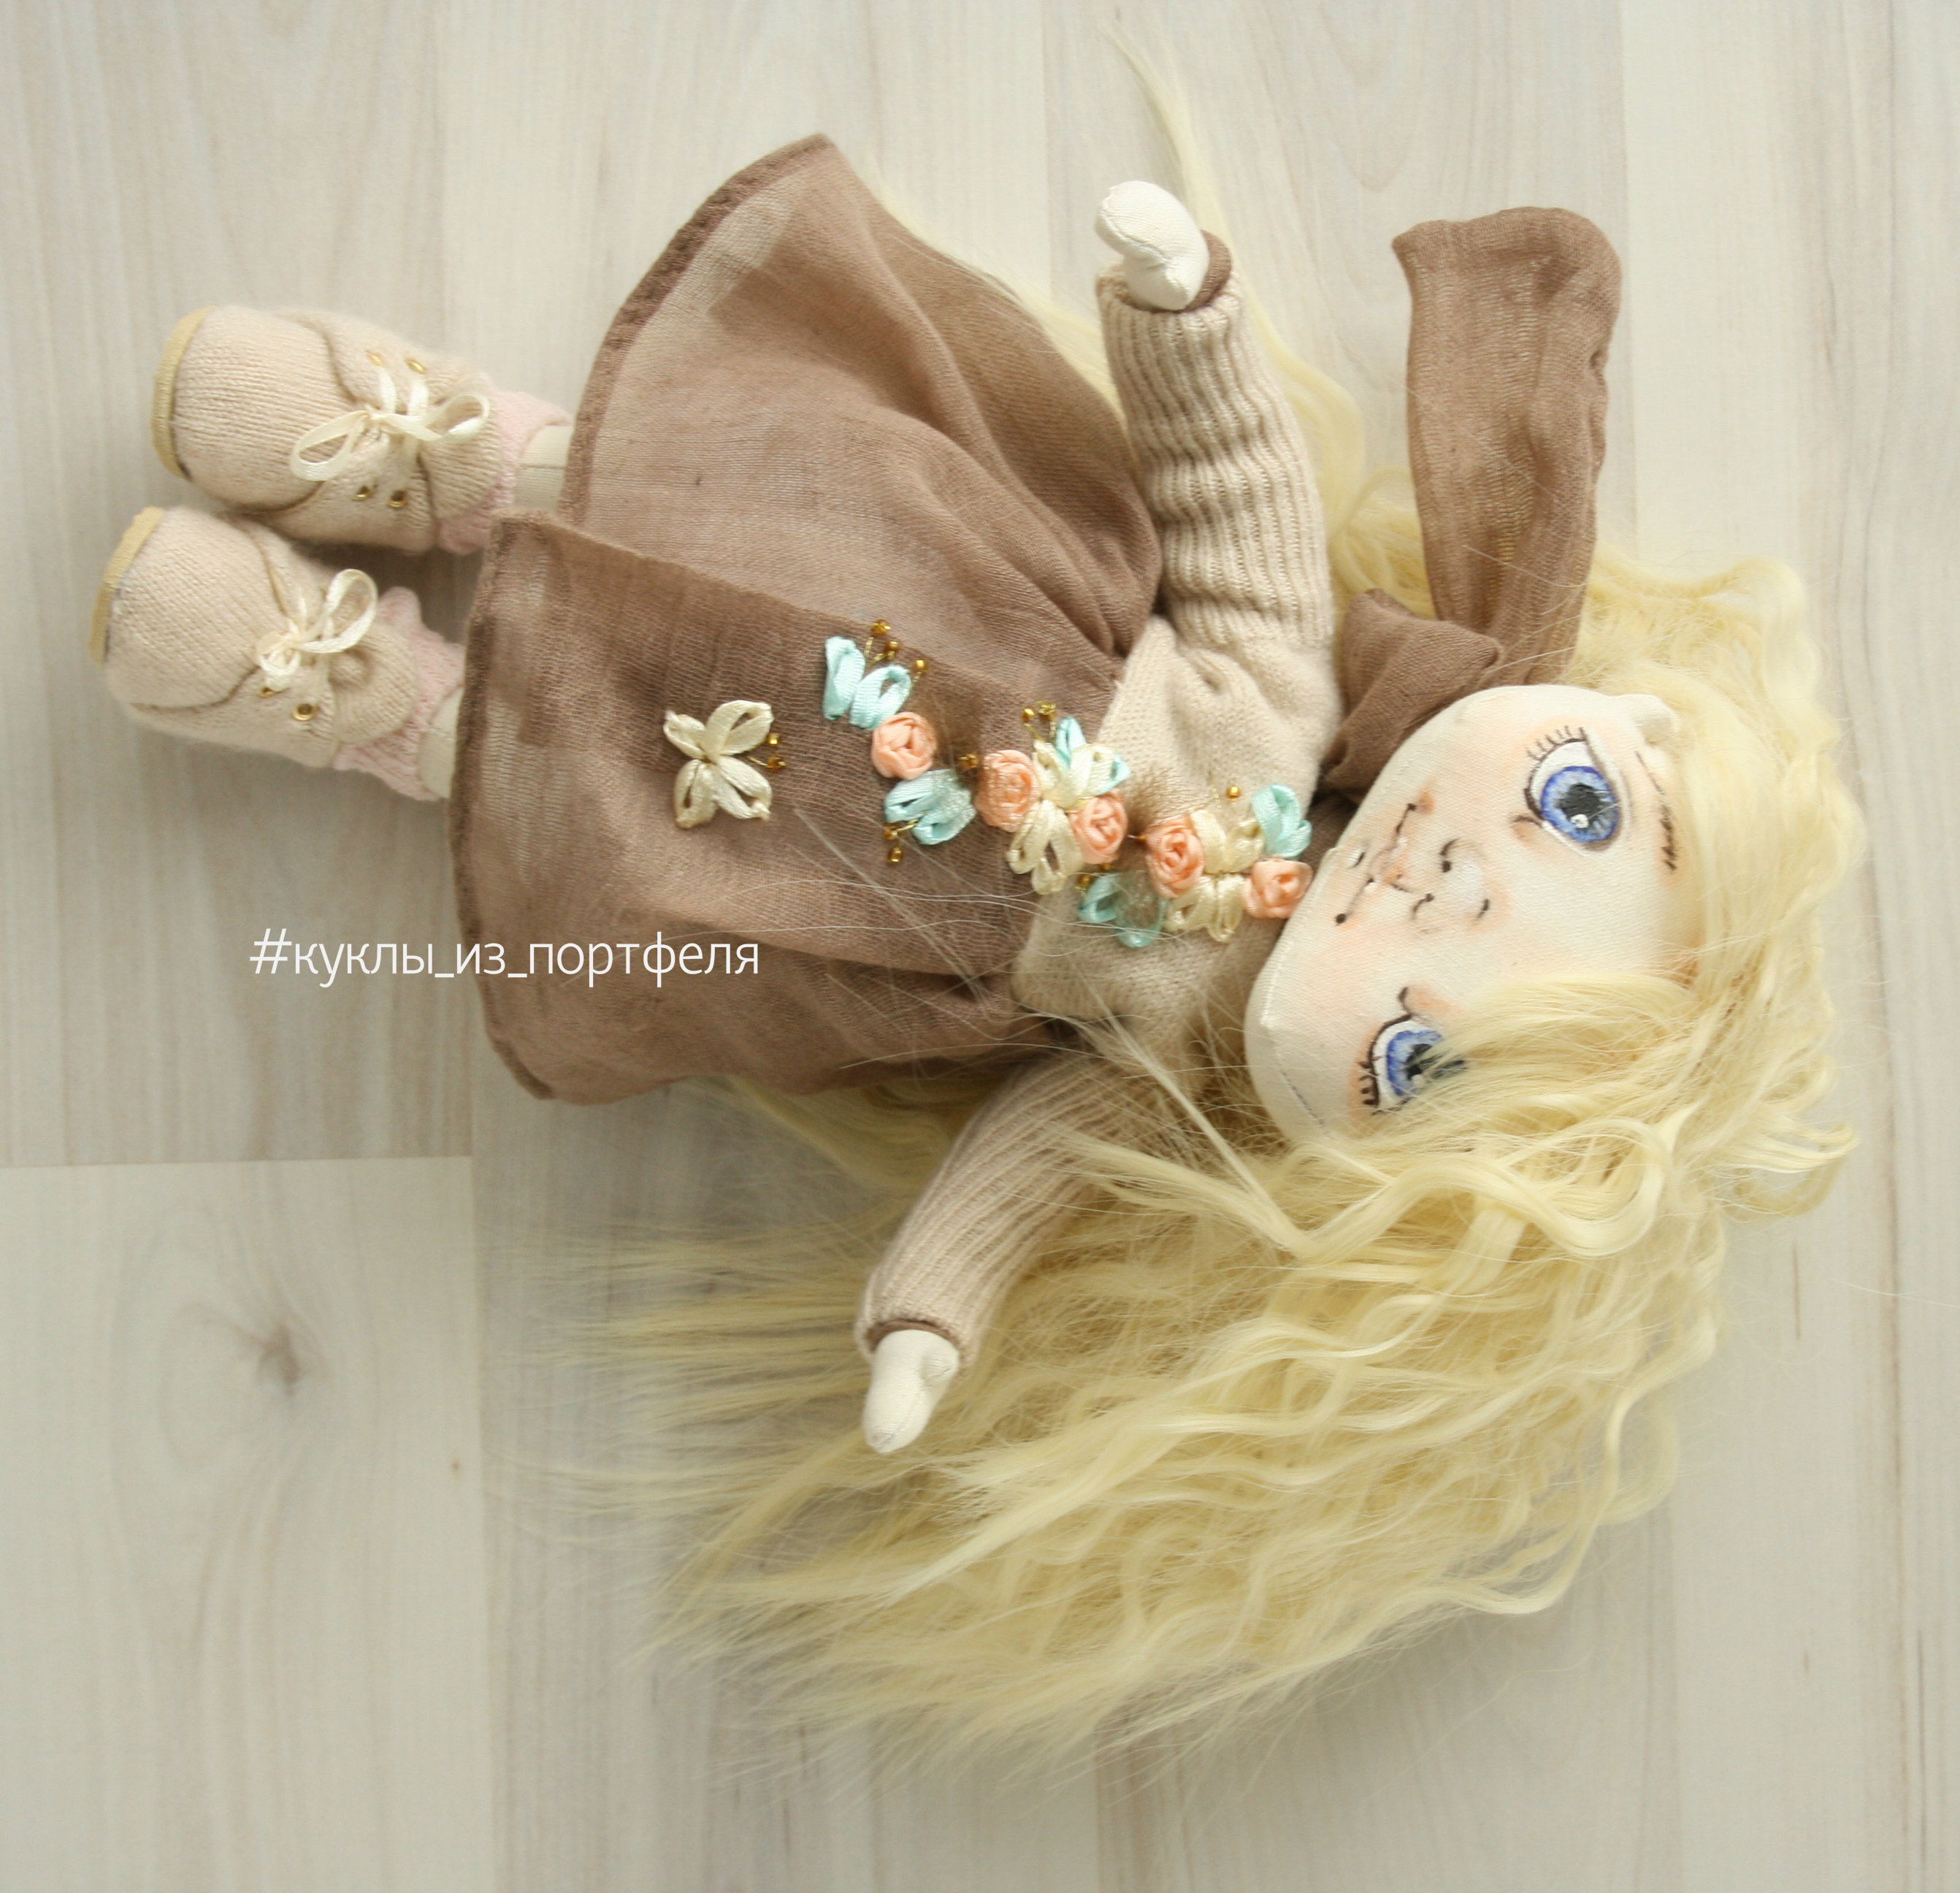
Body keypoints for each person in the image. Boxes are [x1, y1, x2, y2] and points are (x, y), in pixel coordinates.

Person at [89, 138, 1858, 1745]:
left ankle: (376, 701)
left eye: (1423, 1051)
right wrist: (1185, 309)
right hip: (949, 582)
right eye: (1571, 812)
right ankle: (449, 455)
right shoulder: (1286, 688)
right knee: (738, 492)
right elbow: (1234, 489)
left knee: (598, 798)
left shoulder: (1185, 1067)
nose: (1448, 897)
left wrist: (926, 1314)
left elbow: (1037, 1163)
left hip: (818, 899)